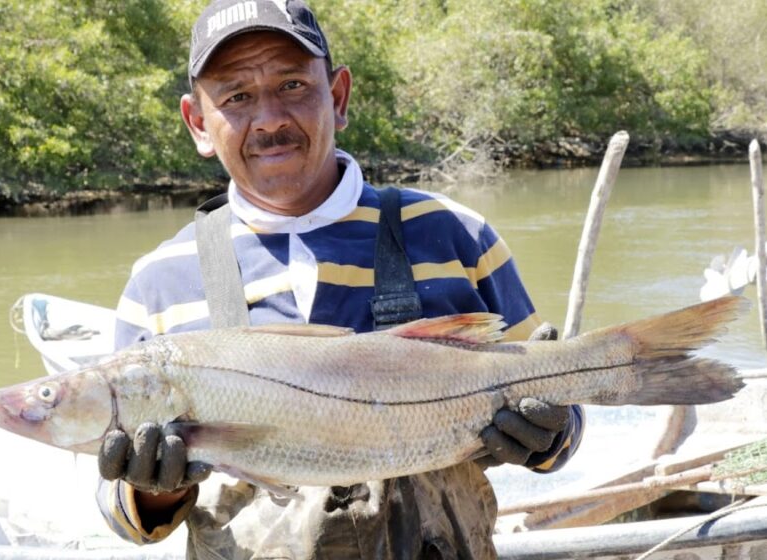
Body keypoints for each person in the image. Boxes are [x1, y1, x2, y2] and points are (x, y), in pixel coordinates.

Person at [96, 1, 584, 558]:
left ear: (339, 96)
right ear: (198, 123)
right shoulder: (158, 280)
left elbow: (562, 422)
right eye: (236, 97)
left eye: (293, 85)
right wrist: (151, 487)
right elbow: (128, 518)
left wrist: (551, 431)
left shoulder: (454, 234)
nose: (271, 118)